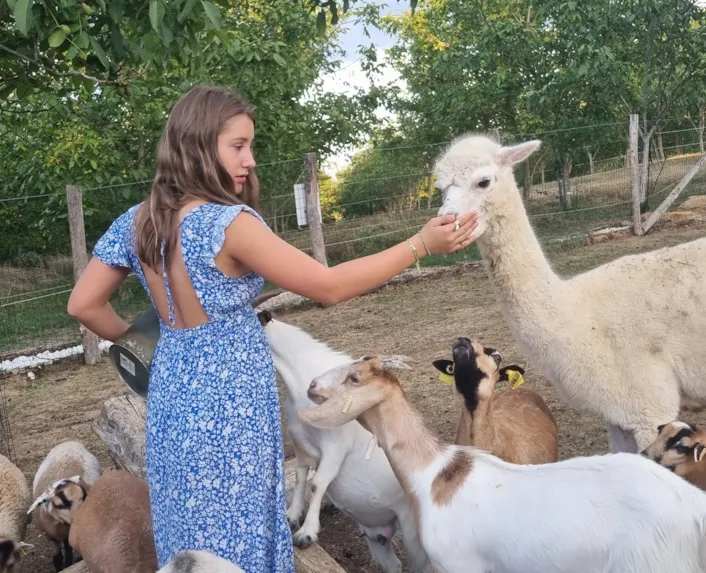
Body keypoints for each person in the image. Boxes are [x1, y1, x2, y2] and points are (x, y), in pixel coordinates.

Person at [66, 84, 477, 573]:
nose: (251, 159)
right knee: (242, 530)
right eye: (237, 146)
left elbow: (84, 305)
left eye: (250, 146)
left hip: (171, 399)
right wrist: (420, 246)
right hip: (231, 406)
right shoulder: (229, 224)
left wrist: (151, 340)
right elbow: (327, 285)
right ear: (198, 145)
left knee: (187, 535)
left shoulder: (138, 220)